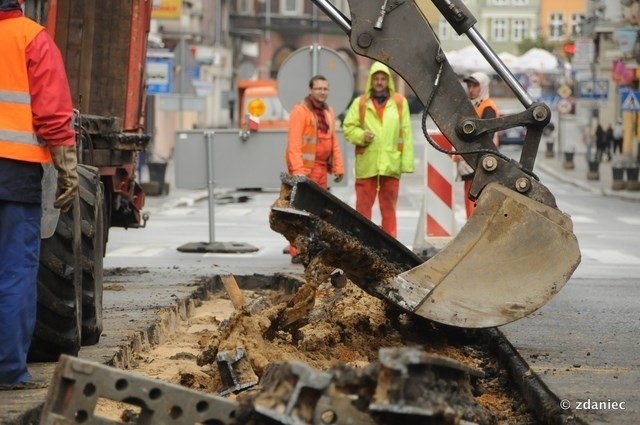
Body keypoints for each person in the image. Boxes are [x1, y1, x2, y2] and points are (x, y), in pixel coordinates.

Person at [0, 0, 79, 388]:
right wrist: (67, 172)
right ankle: (8, 370)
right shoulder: (31, 37)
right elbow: (52, 113)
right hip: (14, 174)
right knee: (14, 273)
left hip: (15, 173)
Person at [342, 62, 414, 238]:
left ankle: (389, 246)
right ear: (371, 81)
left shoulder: (399, 102)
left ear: (388, 81)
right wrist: (361, 135)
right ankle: (361, 244)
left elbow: (406, 133)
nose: (380, 82)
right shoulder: (360, 103)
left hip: (391, 164)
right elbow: (348, 128)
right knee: (363, 211)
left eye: (383, 79)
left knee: (389, 210)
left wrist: (406, 163)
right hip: (367, 164)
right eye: (376, 79)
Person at [286, 75, 344, 262]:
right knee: (299, 214)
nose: (322, 92)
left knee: (318, 215)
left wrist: (338, 166)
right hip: (305, 171)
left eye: (325, 89)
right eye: (318, 88)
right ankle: (297, 252)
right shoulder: (300, 111)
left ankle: (313, 251)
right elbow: (293, 145)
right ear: (310, 90)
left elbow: (333, 142)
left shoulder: (329, 112)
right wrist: (298, 173)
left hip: (321, 171)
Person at [458, 71, 500, 217]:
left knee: (476, 205)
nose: (471, 89)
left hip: (481, 165)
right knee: (470, 205)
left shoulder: (488, 108)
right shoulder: (473, 106)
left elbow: (487, 138)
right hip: (471, 165)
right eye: (469, 86)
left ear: (483, 87)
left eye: (475, 86)